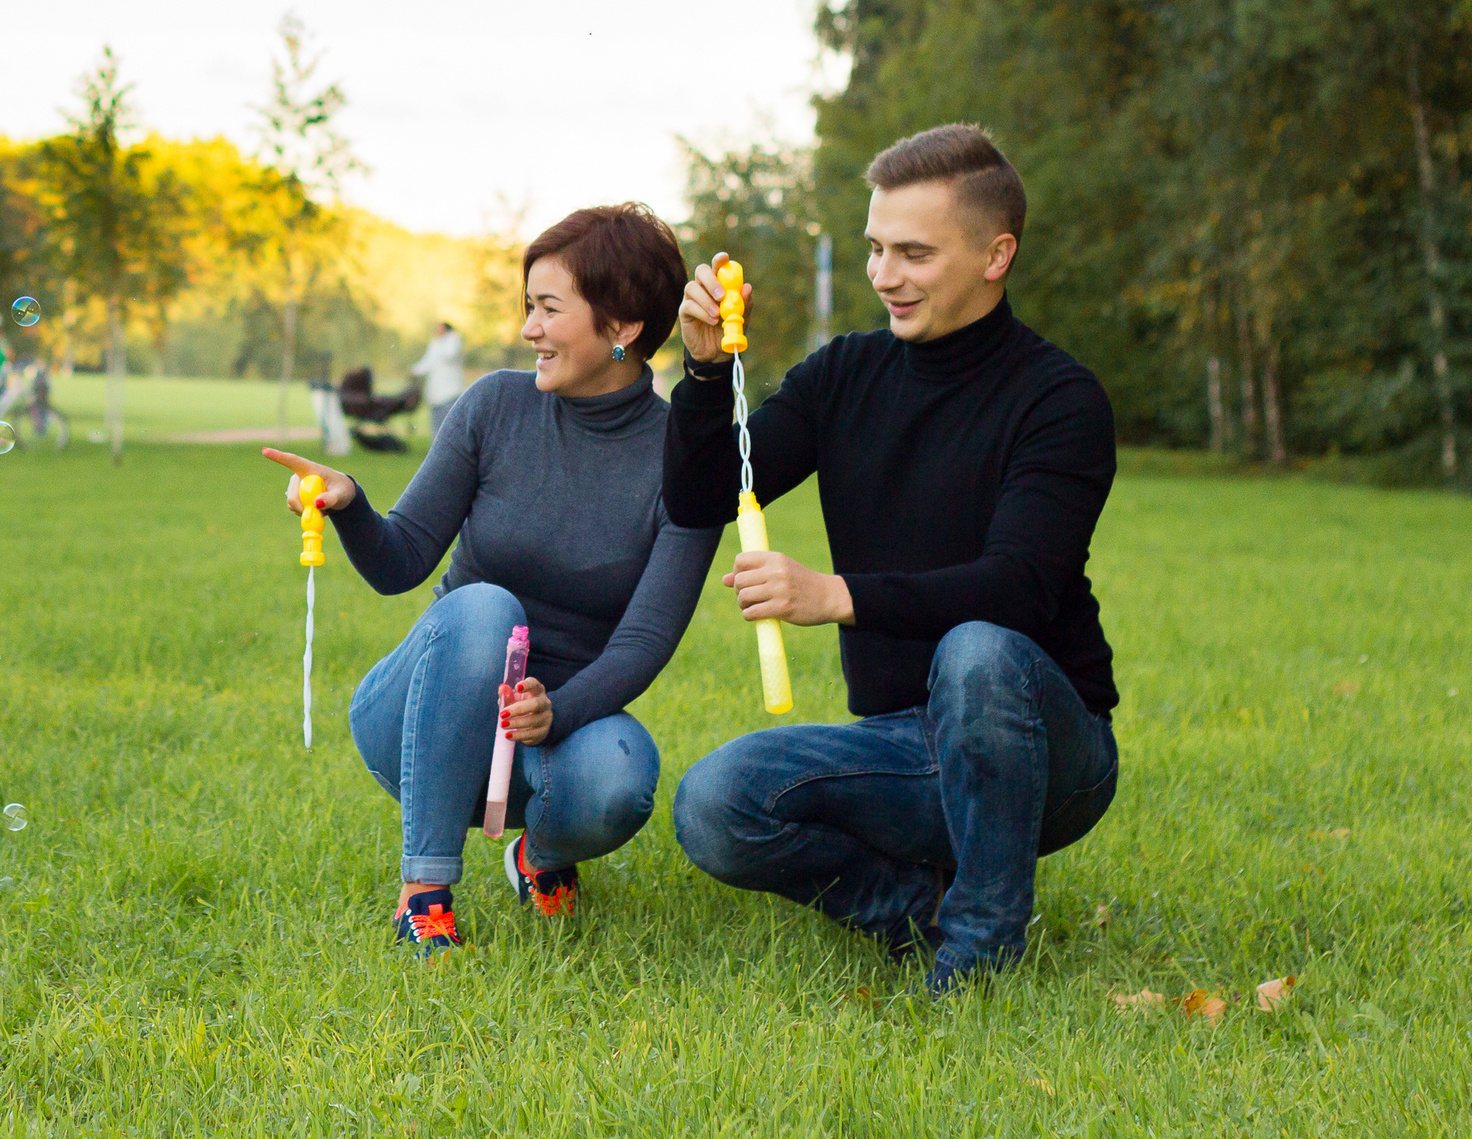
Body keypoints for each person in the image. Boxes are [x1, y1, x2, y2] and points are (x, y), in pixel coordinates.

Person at [663, 124, 1119, 994]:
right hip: (903, 746)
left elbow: (1017, 587)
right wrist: (702, 371)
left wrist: (833, 594)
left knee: (977, 649)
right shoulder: (845, 373)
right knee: (716, 803)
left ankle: (982, 955)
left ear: (996, 254)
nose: (883, 275)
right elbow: (702, 495)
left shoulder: (1059, 399)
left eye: (913, 252)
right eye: (875, 248)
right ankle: (914, 914)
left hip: (1044, 751)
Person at [264, 205, 720, 956]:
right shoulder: (495, 407)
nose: (528, 329)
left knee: (622, 776)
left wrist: (558, 709)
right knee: (486, 608)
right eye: (527, 306)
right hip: (424, 716)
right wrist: (349, 501)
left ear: (624, 325)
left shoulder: (682, 457)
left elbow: (646, 639)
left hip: (558, 727)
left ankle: (536, 855)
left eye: (548, 308)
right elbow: (400, 560)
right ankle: (425, 893)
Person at [408, 319, 466, 437]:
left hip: (450, 390)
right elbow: (428, 361)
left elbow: (450, 355)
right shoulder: (435, 343)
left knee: (450, 421)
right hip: (436, 390)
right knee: (436, 422)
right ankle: (436, 447)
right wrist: (415, 370)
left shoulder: (453, 339)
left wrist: (440, 342)